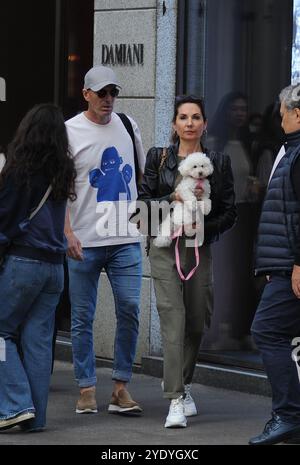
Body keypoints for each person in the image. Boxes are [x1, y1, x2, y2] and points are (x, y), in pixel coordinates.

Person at [138, 95, 236, 428]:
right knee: (173, 321)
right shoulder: (158, 158)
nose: (190, 122)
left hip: (198, 247)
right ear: (174, 124)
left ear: (205, 124)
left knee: (197, 321)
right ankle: (175, 399)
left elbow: (228, 211)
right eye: (183, 117)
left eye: (196, 117)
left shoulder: (218, 163)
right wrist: (172, 198)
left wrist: (203, 228)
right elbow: (141, 210)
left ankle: (185, 384)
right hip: (164, 247)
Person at [65, 65, 146, 415]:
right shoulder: (68, 131)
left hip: (125, 237)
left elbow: (142, 177)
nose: (108, 99)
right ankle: (85, 387)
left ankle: (120, 387)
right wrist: (66, 232)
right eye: (102, 93)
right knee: (82, 317)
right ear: (86, 94)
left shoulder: (128, 125)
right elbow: (60, 188)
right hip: (83, 238)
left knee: (129, 308)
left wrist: (144, 222)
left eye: (113, 92)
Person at [0, 103, 76, 432]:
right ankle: (35, 418)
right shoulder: (64, 170)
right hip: (54, 269)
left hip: (23, 263)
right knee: (38, 341)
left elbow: (5, 219)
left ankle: (16, 405)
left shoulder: (20, 171)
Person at [249, 84, 300, 445]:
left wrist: (297, 264)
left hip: (292, 269)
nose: (279, 117)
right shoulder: (291, 151)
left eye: (283, 111)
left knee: (266, 330)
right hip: (283, 265)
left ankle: (289, 414)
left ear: (297, 113)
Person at [208, 92, 261, 350]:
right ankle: (216, 331)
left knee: (242, 272)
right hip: (221, 214)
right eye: (235, 109)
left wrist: (253, 185)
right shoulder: (215, 141)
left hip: (244, 213)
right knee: (220, 272)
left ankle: (241, 329)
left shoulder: (247, 140)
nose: (240, 113)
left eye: (244, 109)